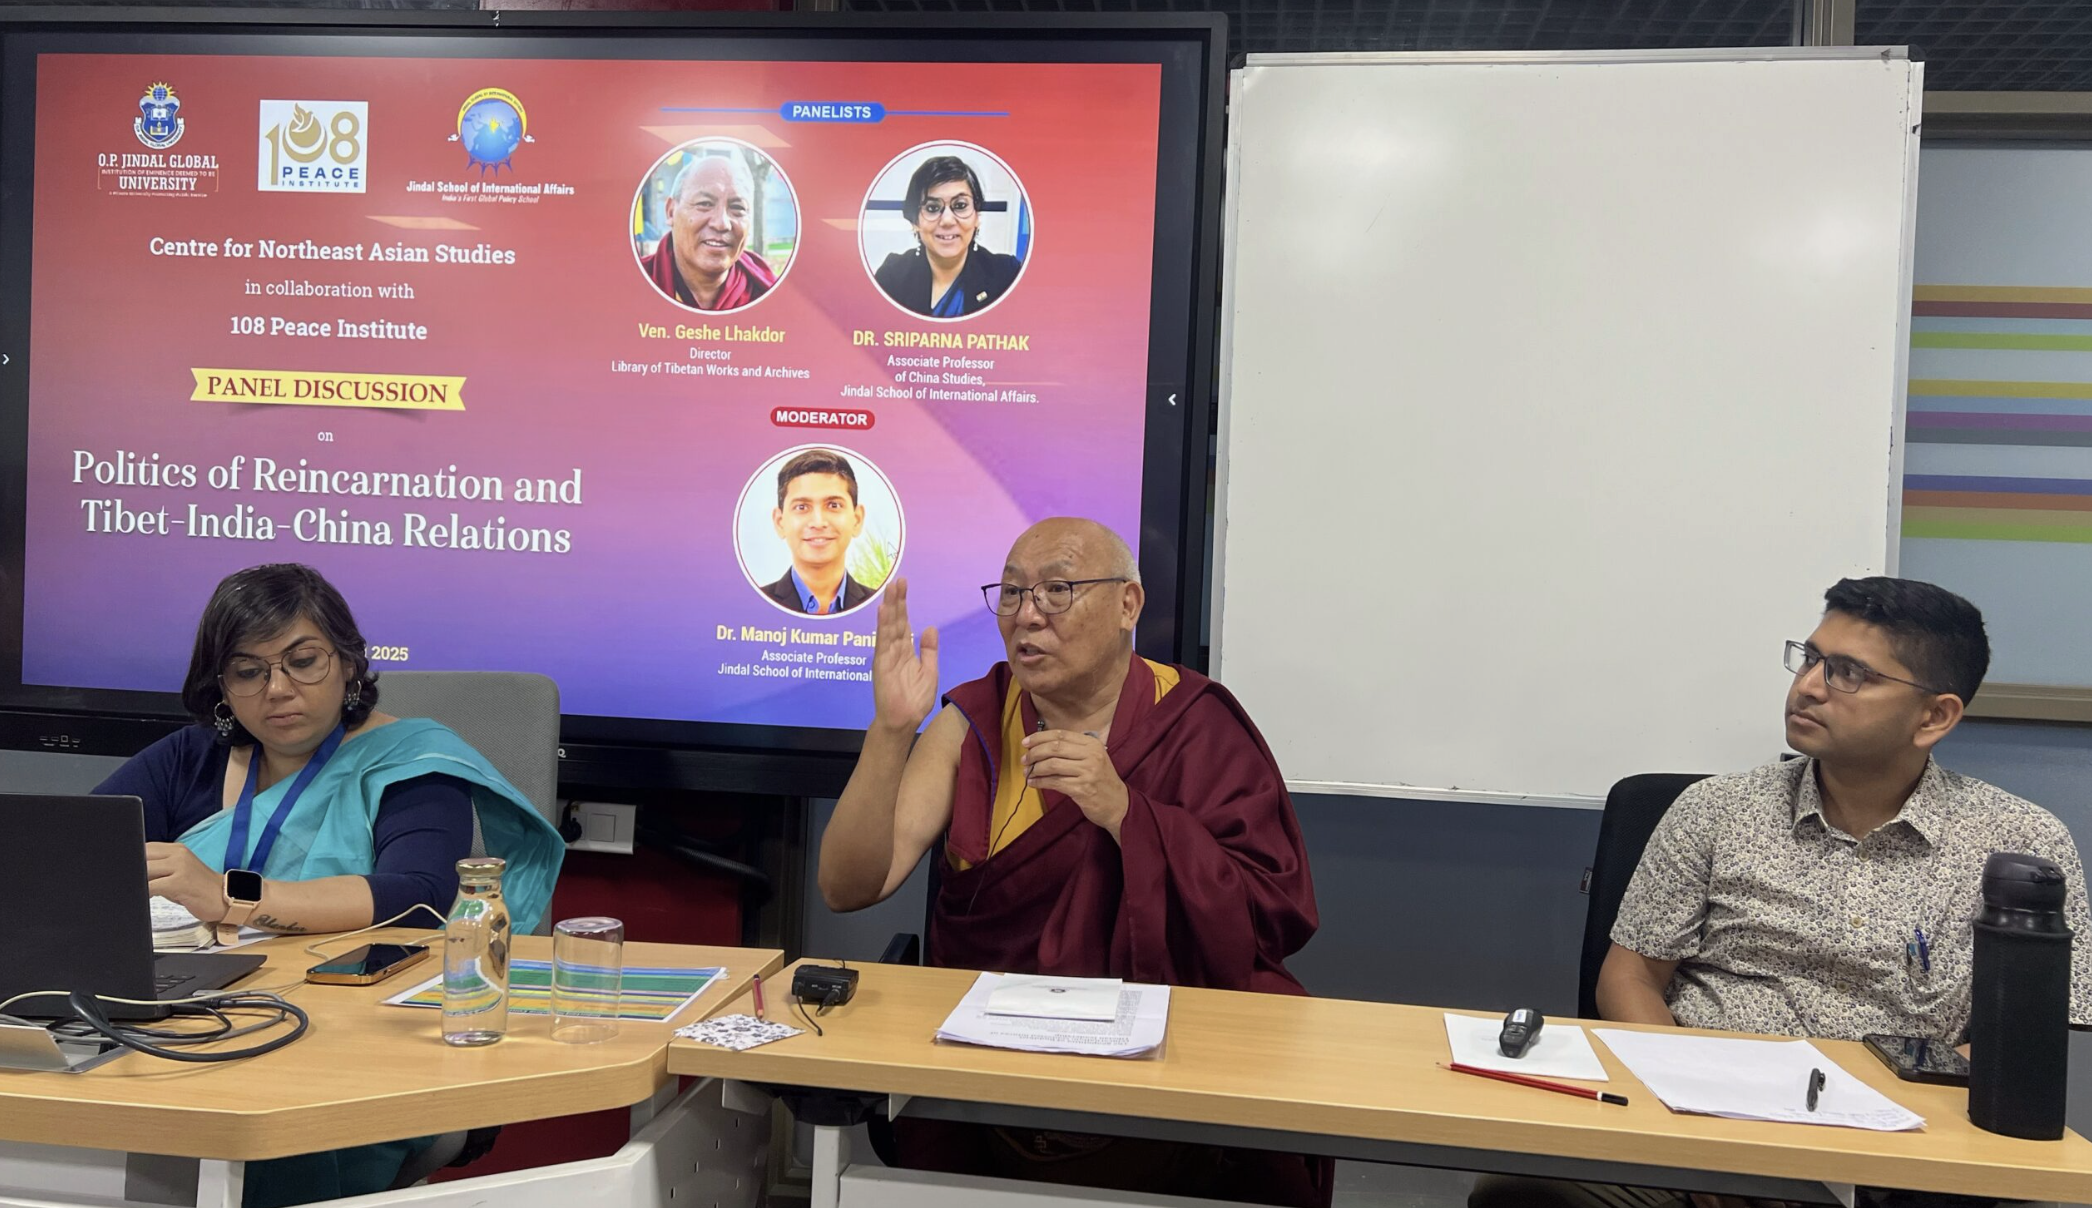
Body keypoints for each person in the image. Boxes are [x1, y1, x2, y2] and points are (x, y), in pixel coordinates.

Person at [1472, 577, 2092, 1208]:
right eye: (1811, 658)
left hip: (1900, 1158)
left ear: (1934, 716)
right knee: (1521, 1190)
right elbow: (1629, 976)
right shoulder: (1716, 810)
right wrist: (1689, 1100)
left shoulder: (2020, 844)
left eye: (1849, 672)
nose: (1810, 686)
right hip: (1701, 1136)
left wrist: (1882, 1132)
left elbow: (2026, 1037)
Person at [817, 517, 1328, 1207]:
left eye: (1057, 590)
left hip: (1168, 1054)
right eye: (1012, 593)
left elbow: (1270, 913)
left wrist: (1126, 813)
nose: (1028, 616)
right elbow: (848, 886)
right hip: (995, 1061)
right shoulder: (973, 722)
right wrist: (891, 731)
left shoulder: (1196, 724)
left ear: (1127, 605)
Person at [94, 562, 565, 1208]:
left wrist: (230, 897)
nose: (277, 689)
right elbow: (73, 855)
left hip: (360, 1043)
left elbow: (421, 901)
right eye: (248, 671)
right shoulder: (190, 758)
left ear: (347, 663)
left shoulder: (413, 760)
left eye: (302, 661)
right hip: (197, 1021)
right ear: (222, 686)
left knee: (263, 1136)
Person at [871, 155, 1023, 319]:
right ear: (915, 221)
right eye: (932, 208)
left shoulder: (1006, 275)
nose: (947, 220)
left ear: (977, 216)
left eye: (960, 205)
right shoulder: (892, 276)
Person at [640, 153, 777, 311]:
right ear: (671, 212)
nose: (721, 224)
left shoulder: (768, 296)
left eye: (737, 207)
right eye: (705, 204)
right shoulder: (631, 285)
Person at [760, 448, 875, 615]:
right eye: (802, 507)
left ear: (857, 519)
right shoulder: (753, 604)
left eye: (834, 505)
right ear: (780, 522)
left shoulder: (881, 606)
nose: (818, 523)